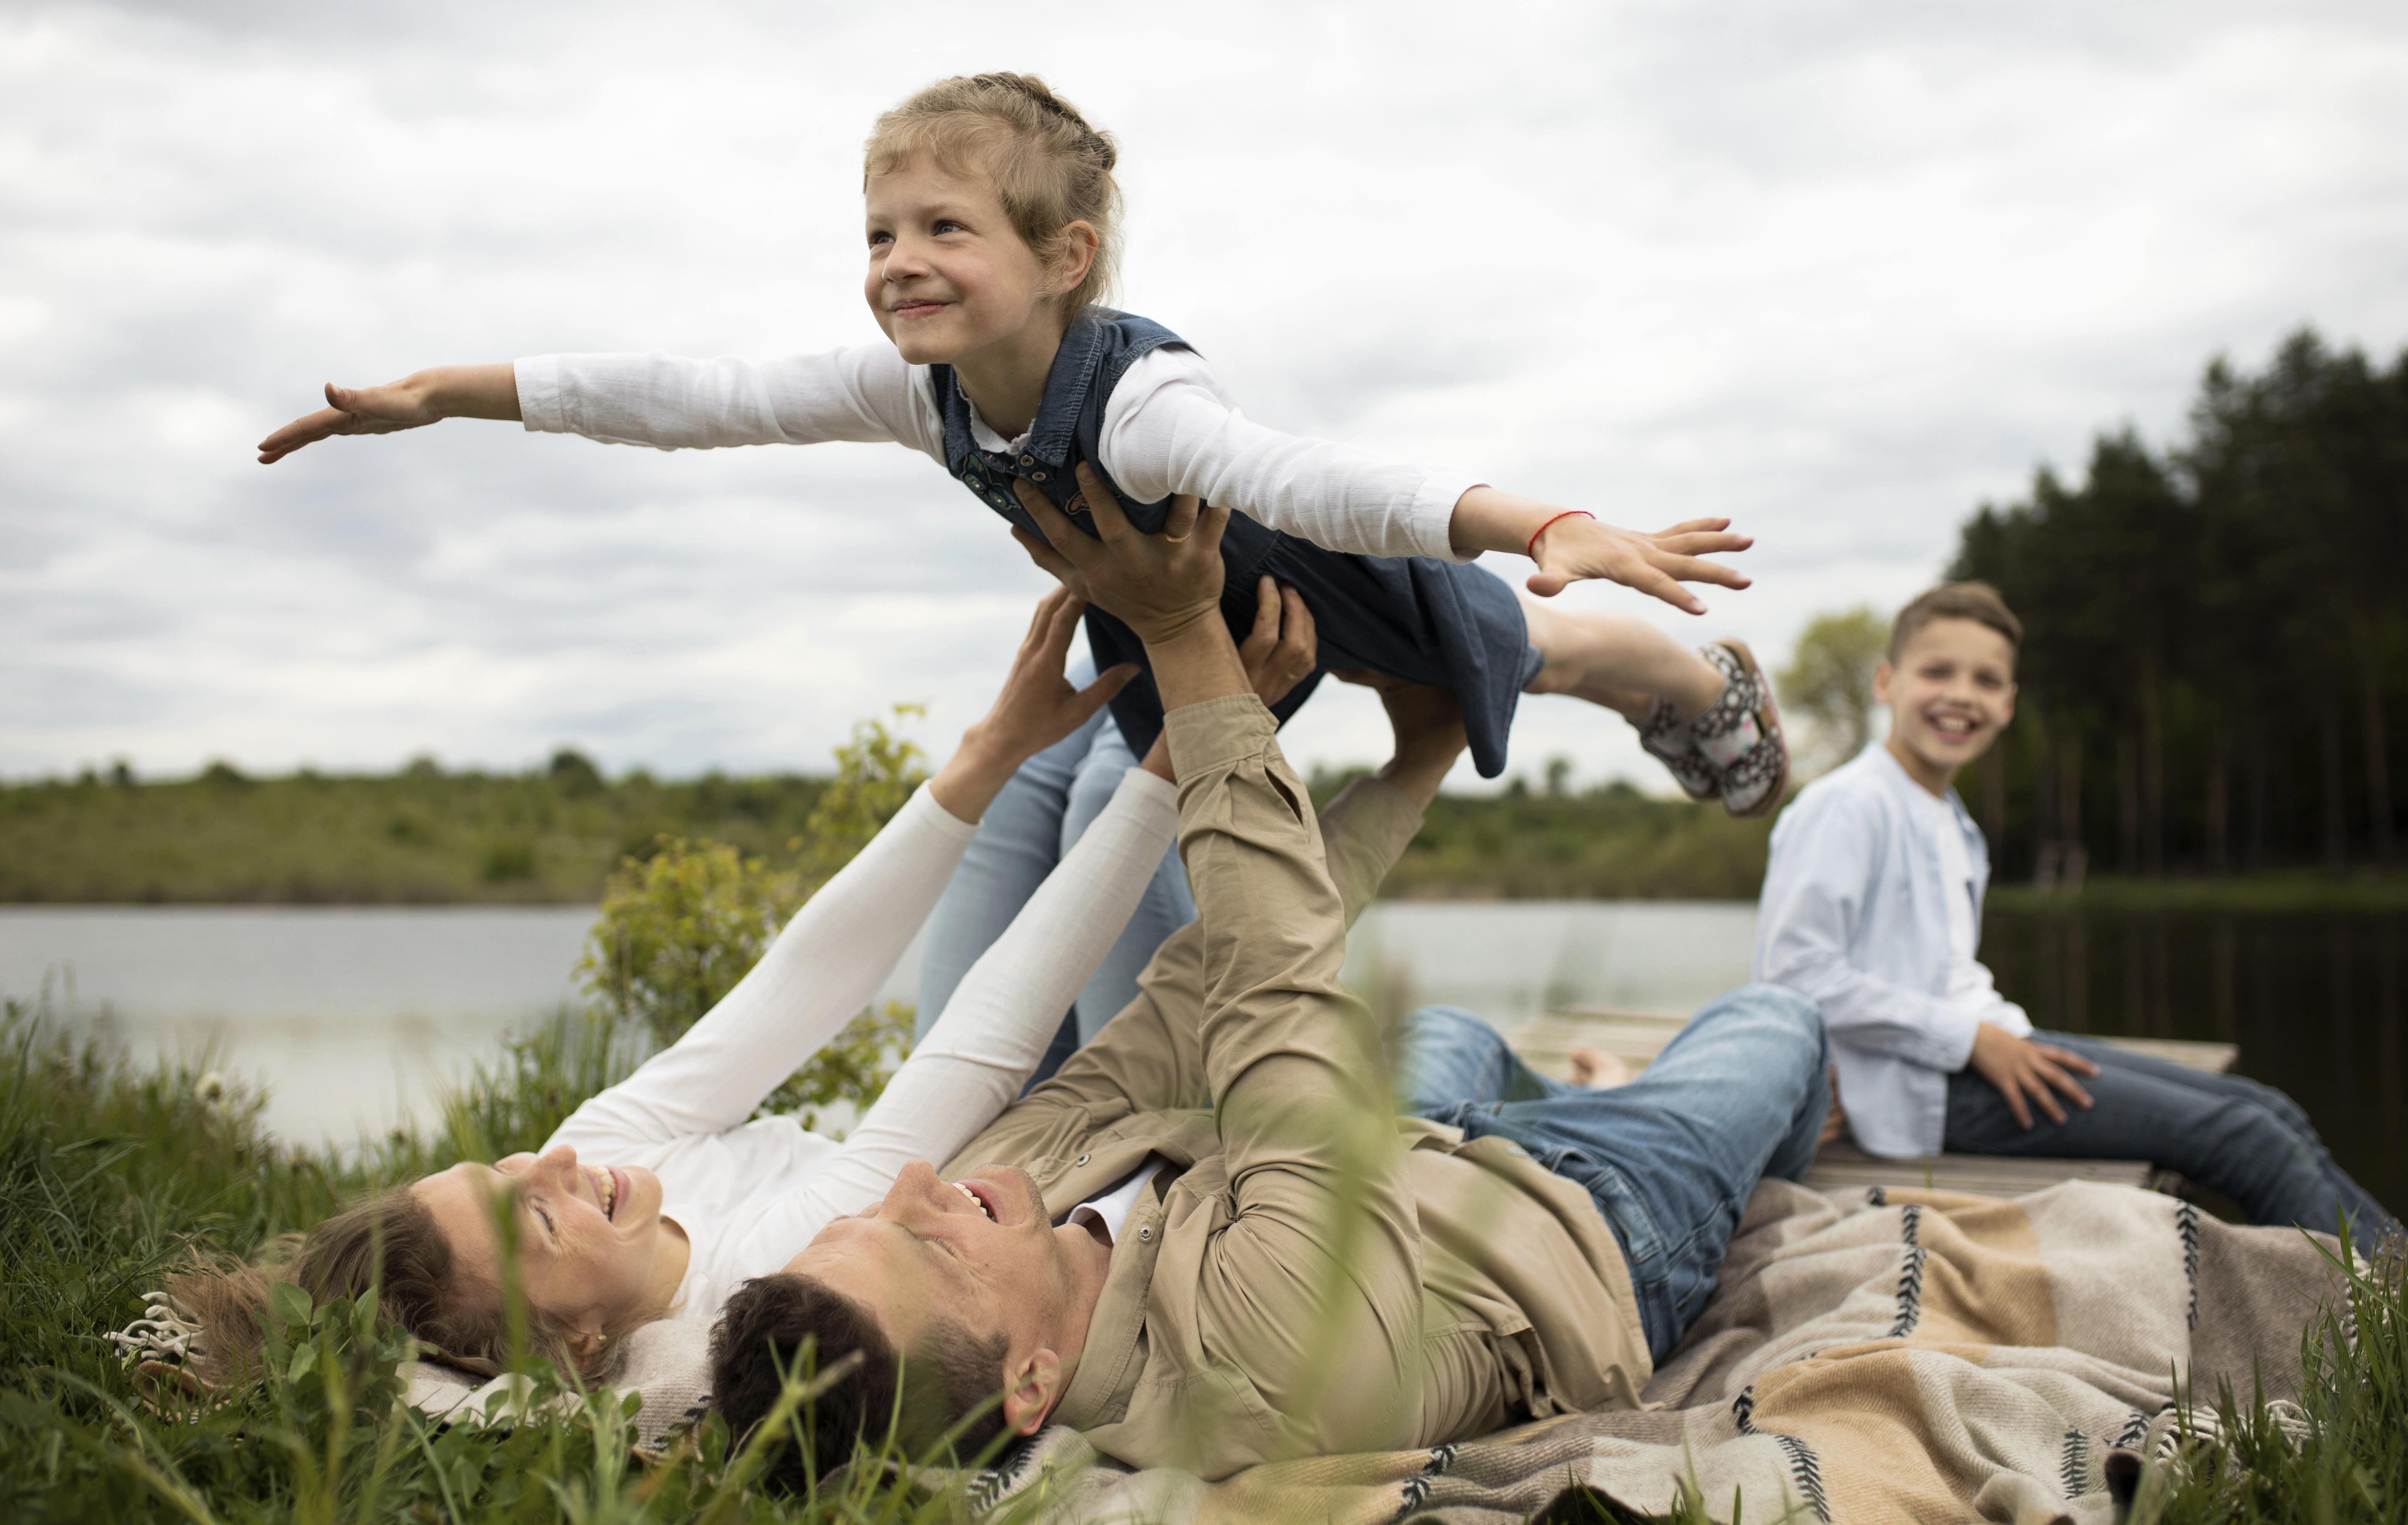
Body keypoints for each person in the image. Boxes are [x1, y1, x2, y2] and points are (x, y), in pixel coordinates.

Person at [252, 71, 1791, 1066]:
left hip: (1344, 592)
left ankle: (1686, 671)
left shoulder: (1142, 395)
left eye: (945, 227)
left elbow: (1314, 478)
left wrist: (1541, 523)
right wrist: (448, 392)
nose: (898, 260)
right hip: (1163, 661)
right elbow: (696, 395)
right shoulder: (909, 389)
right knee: (1073, 901)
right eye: (878, 232)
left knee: (1534, 647)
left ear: (1062, 259)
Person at [706, 470, 1831, 1486]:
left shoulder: (1013, 1194)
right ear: (1033, 1382)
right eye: (929, 1245)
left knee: (1438, 1027)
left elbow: (1197, 997)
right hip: (1588, 1216)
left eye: (873, 1216)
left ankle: (1571, 1067)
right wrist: (1187, 634)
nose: (911, 1186)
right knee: (1776, 1026)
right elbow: (1271, 987)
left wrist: (1419, 759)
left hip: (1402, 1142)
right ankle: (1622, 1102)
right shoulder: (1257, 1362)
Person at [165, 585, 1316, 1385]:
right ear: (572, 1345)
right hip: (1031, 1141)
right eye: (537, 1215)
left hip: (982, 1112)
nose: (554, 1162)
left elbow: (801, 986)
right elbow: (969, 1056)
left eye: (505, 1169)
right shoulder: (758, 1288)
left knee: (1025, 781)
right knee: (1122, 768)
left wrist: (984, 747)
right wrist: (1180, 762)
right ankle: (1427, 650)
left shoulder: (601, 1153)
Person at [1753, 581, 2397, 1252]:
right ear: (1887, 682)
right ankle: (2382, 1325)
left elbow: (1943, 977)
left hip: (1989, 1049)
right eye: (1938, 672)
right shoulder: (1847, 806)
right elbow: (1796, 975)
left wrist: (1989, 1037)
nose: (1962, 695)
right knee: (2249, 1141)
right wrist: (1971, 1039)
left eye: (1987, 680)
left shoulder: (1948, 816)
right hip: (1919, 1090)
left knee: (2270, 1109)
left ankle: (2394, 1285)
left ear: (2007, 704)